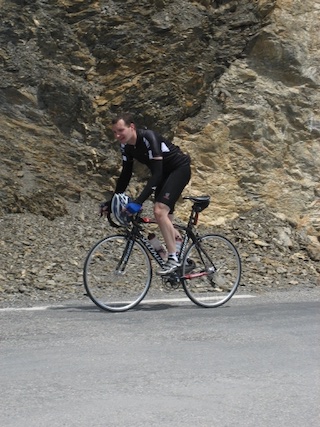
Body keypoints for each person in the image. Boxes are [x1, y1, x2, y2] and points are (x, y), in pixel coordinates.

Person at [106, 112, 191, 275]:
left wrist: (138, 202)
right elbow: (125, 174)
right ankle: (180, 254)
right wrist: (112, 202)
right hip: (164, 175)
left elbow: (157, 175)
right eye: (114, 132)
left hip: (178, 169)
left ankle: (173, 259)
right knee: (165, 221)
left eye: (120, 130)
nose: (117, 135)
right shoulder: (125, 146)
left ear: (131, 127)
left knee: (159, 211)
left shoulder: (148, 137)